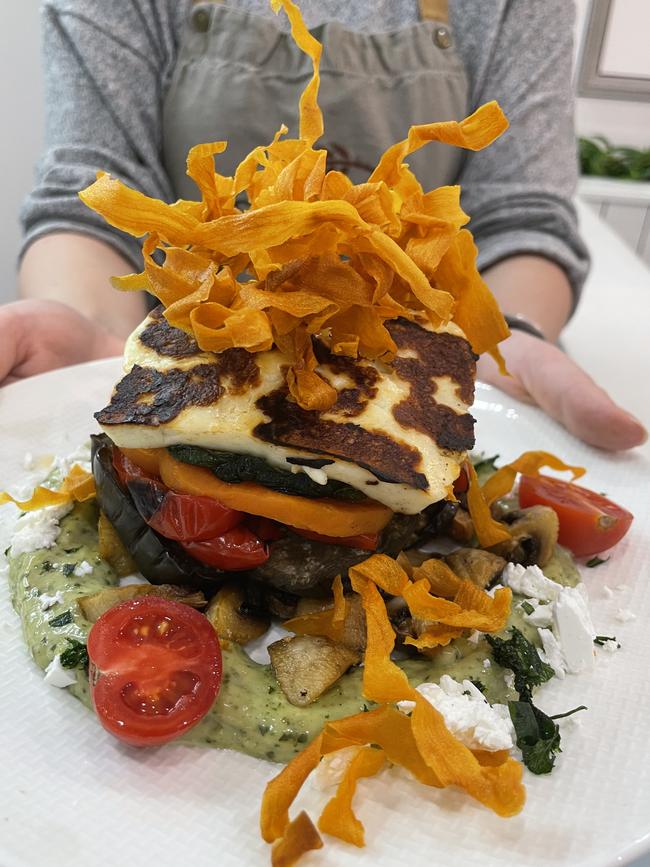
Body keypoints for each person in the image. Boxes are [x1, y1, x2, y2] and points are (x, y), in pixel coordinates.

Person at [1, 0, 646, 450]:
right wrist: (91, 330)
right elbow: (90, 189)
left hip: (405, 379)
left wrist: (498, 343)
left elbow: (520, 215)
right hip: (186, 368)